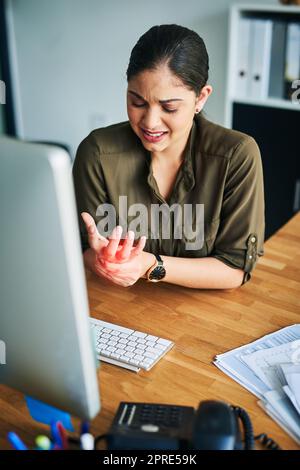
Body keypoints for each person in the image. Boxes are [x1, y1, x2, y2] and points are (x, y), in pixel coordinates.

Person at [72, 24, 265, 290]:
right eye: (137, 102)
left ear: (201, 98)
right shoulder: (97, 153)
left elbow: (235, 268)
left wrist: (148, 265)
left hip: (204, 314)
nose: (150, 122)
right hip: (118, 307)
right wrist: (103, 259)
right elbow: (84, 250)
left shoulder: (236, 156)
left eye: (169, 107)